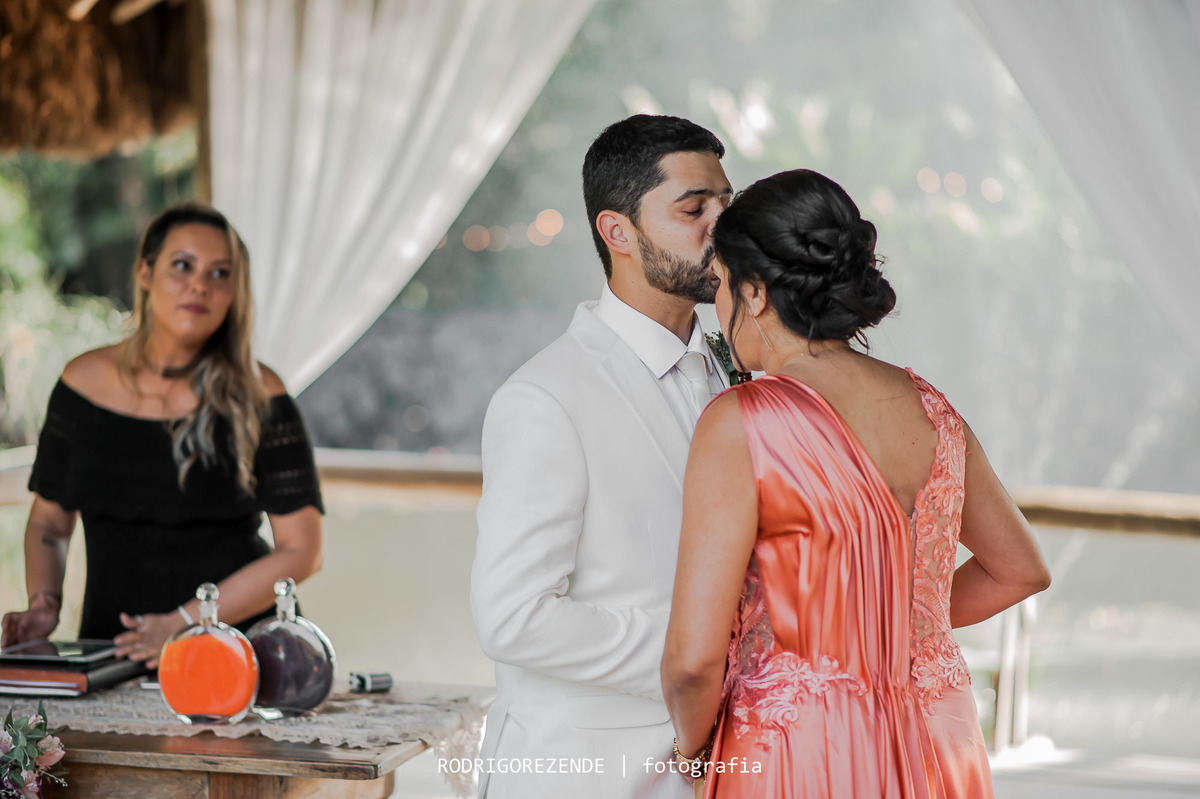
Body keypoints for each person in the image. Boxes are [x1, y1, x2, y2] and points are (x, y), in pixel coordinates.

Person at [661, 169, 1052, 797]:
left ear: (755, 293)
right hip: (936, 738)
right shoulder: (933, 411)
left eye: (723, 288)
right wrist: (888, 629)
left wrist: (691, 754)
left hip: (799, 747)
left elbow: (692, 659)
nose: (720, 307)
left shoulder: (743, 421)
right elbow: (1020, 570)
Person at [470, 114, 734, 799]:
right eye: (694, 208)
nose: (722, 228)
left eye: (726, 205)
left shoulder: (741, 370)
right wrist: (698, 655)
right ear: (617, 231)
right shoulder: (544, 398)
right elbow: (513, 615)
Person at [1, 202, 324, 669]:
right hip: (111, 651)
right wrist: (43, 604)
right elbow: (50, 524)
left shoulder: (260, 393)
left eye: (220, 273)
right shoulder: (82, 384)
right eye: (182, 265)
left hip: (241, 656)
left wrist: (185, 621)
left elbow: (302, 551)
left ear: (235, 291)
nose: (200, 284)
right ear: (146, 273)